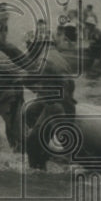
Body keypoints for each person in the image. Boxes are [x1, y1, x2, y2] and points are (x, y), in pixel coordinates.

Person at [20, 32, 76, 168]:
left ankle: (38, 173)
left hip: (55, 107)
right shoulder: (57, 56)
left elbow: (28, 79)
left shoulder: (43, 59)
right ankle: (52, 152)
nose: (28, 49)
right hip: (64, 103)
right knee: (29, 112)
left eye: (29, 45)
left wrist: (12, 78)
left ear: (37, 45)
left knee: (32, 144)